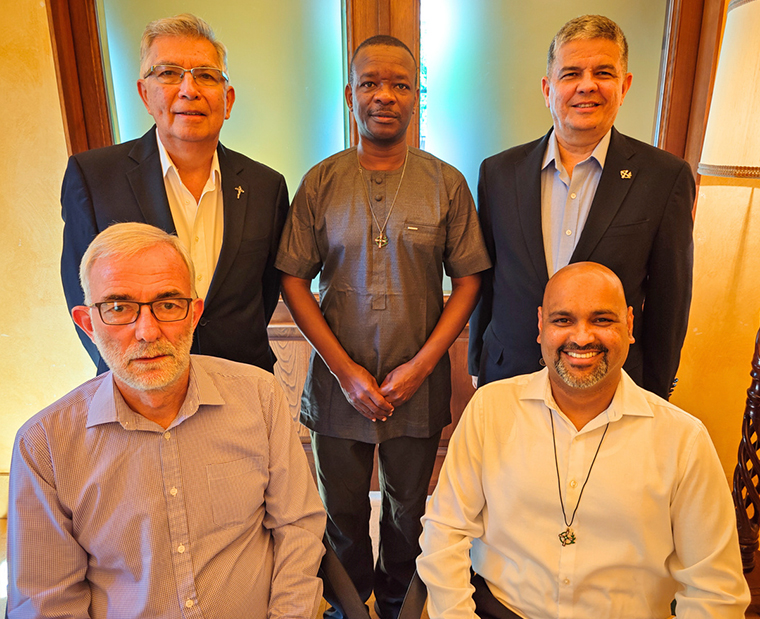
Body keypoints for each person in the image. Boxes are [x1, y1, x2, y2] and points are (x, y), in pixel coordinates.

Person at [275, 35, 491, 619]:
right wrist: (344, 373)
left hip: (416, 388)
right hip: (338, 387)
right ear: (350, 95)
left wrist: (422, 367)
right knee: (340, 512)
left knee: (408, 513)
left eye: (400, 84)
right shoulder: (320, 182)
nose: (385, 96)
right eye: (370, 83)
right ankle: (348, 606)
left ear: (417, 98)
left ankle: (398, 604)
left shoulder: (446, 183)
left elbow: (469, 278)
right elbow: (293, 277)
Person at [8, 223, 326, 618]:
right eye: (119, 307)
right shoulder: (45, 445)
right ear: (88, 323)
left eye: (168, 304)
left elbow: (298, 529)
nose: (147, 331)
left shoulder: (259, 397)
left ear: (194, 314)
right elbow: (46, 604)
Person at [419, 262, 749, 619]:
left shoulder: (683, 440)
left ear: (629, 326)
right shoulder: (490, 410)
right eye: (563, 320)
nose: (582, 337)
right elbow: (445, 531)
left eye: (602, 320)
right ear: (540, 326)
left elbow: (714, 589)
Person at [468, 15, 695, 400]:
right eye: (571, 73)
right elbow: (486, 278)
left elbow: (670, 299)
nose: (587, 85)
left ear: (624, 87)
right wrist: (477, 361)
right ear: (548, 87)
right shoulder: (498, 173)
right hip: (509, 377)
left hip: (611, 385)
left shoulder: (665, 177)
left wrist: (655, 389)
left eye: (603, 73)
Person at [60, 13, 288, 374]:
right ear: (144, 94)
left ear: (227, 100)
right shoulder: (94, 177)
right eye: (168, 73)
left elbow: (264, 290)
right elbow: (83, 292)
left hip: (241, 383)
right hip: (139, 385)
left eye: (206, 76)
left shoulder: (267, 186)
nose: (189, 89)